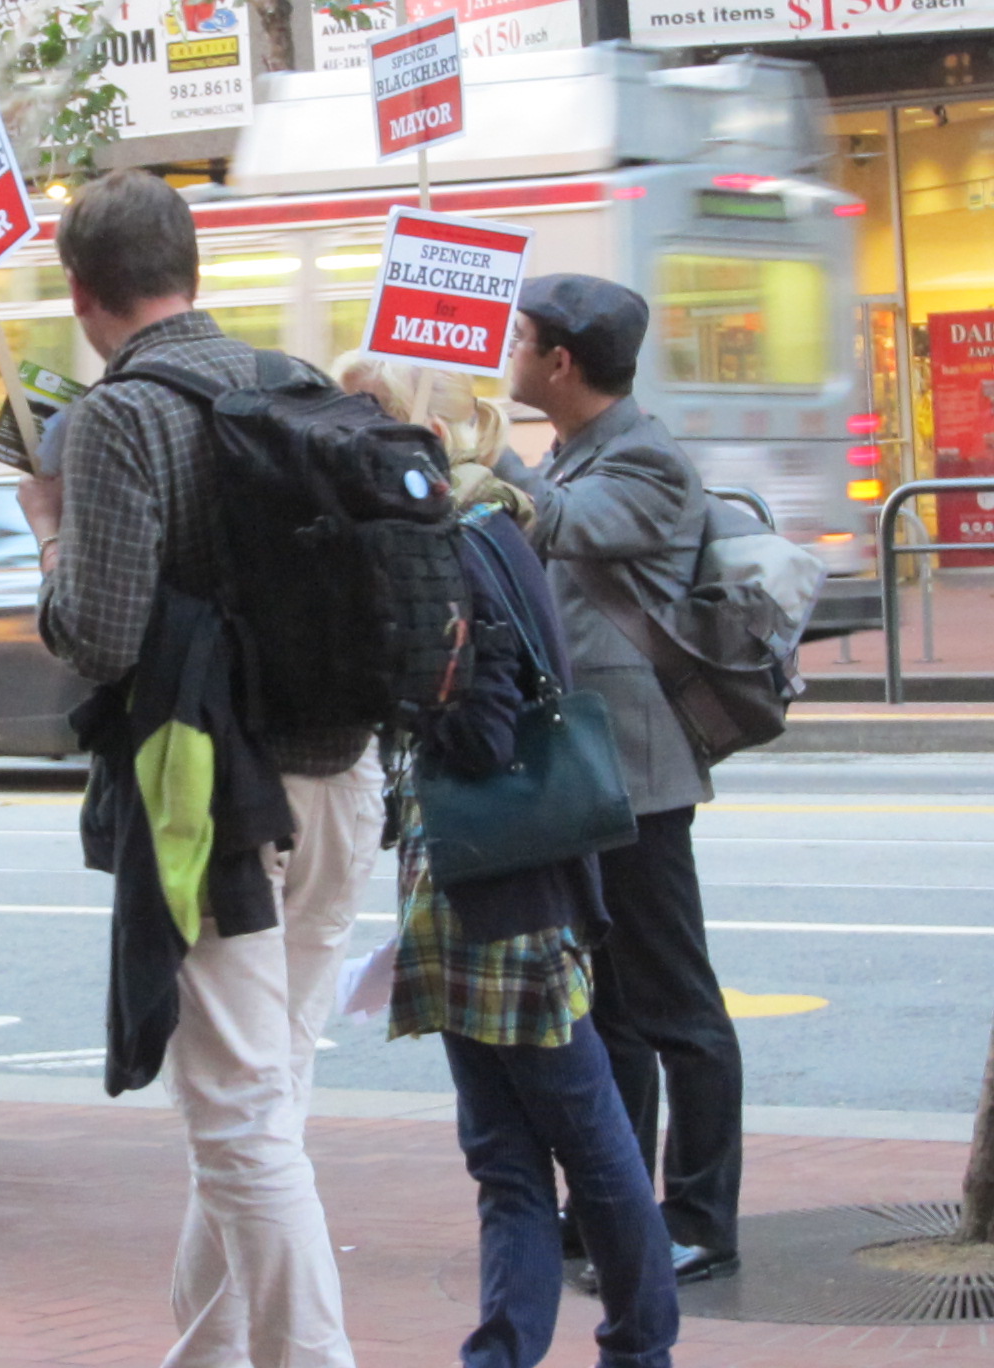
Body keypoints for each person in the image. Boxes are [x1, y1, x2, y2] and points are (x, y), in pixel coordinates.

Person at [19, 170, 385, 1368]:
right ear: (194, 266)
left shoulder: (123, 417)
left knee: (235, 1122)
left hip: (217, 801)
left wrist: (50, 531)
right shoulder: (297, 381)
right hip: (343, 775)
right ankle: (211, 1352)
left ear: (84, 296)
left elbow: (103, 636)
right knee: (270, 1095)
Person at [337, 355, 678, 1368]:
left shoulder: (466, 546)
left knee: (588, 1148)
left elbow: (483, 733)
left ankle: (640, 1345)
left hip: (505, 899)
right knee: (511, 1160)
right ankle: (508, 1352)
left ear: (426, 438)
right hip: (477, 897)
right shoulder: (479, 535)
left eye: (372, 424)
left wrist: (405, 685)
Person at [492, 275, 743, 1283]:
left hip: (639, 773)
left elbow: (559, 524)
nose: (507, 359)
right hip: (580, 771)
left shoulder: (644, 457)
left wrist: (481, 448)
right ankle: (612, 1205)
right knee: (605, 1010)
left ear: (561, 363)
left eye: (521, 343)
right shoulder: (578, 449)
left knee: (678, 1007)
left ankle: (701, 1219)